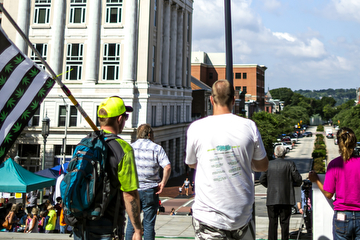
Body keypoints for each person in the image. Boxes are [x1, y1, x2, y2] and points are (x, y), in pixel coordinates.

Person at [186, 80, 268, 240]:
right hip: (242, 216)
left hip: (208, 216)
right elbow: (263, 165)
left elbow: (191, 162)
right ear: (233, 100)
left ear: (211, 99)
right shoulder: (249, 126)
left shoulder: (196, 127)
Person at [71, 96, 142, 240]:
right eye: (125, 117)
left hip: (80, 223)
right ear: (119, 119)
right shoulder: (123, 149)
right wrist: (137, 229)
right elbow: (129, 194)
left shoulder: (83, 144)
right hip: (107, 225)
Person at [307, 127, 360, 240]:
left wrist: (316, 180)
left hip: (342, 216)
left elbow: (328, 194)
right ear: (354, 143)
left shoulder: (334, 164)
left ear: (338, 143)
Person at [125, 123, 172, 240]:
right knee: (149, 224)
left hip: (134, 189)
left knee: (132, 222)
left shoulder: (130, 147)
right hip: (150, 189)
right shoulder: (156, 148)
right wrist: (163, 183)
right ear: (150, 134)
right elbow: (167, 167)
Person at [260, 145, 302, 240]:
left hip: (272, 198)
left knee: (272, 223)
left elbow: (262, 179)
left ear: (274, 154)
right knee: (285, 224)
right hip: (286, 198)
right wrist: (291, 184)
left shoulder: (268, 164)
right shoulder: (290, 164)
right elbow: (298, 179)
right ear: (284, 154)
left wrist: (270, 186)